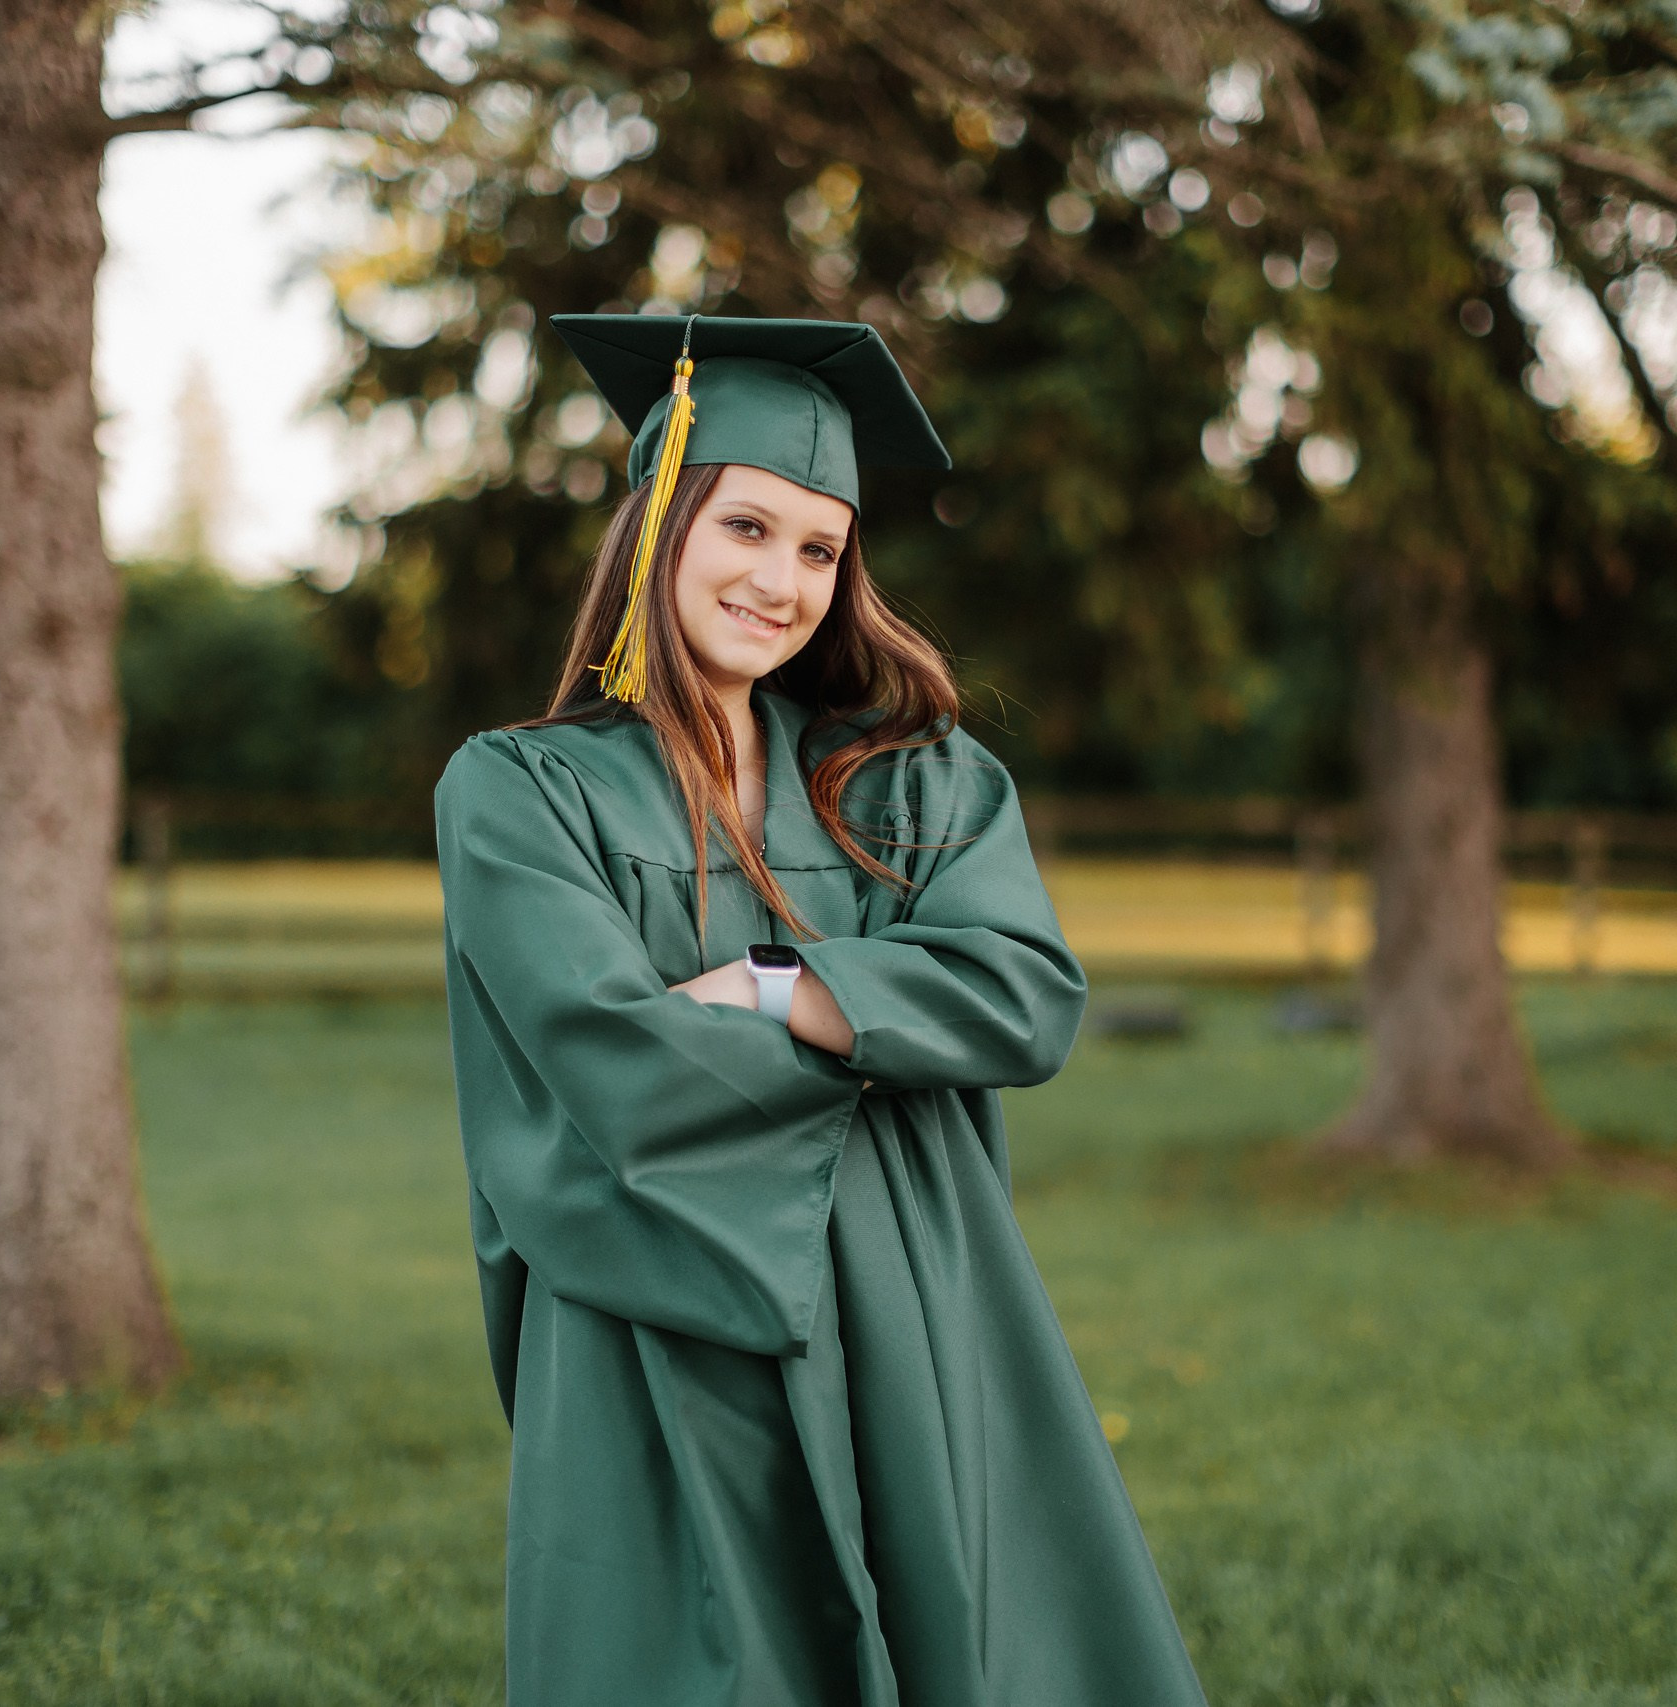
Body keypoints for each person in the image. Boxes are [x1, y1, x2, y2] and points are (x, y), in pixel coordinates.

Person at [434, 312, 1209, 1707]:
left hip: (918, 1310)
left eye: (819, 549)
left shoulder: (914, 779)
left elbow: (1024, 995)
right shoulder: (518, 791)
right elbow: (609, 1058)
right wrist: (877, 1038)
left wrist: (775, 983)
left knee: (959, 1646)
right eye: (745, 527)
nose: (780, 581)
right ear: (658, 524)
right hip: (655, 1309)